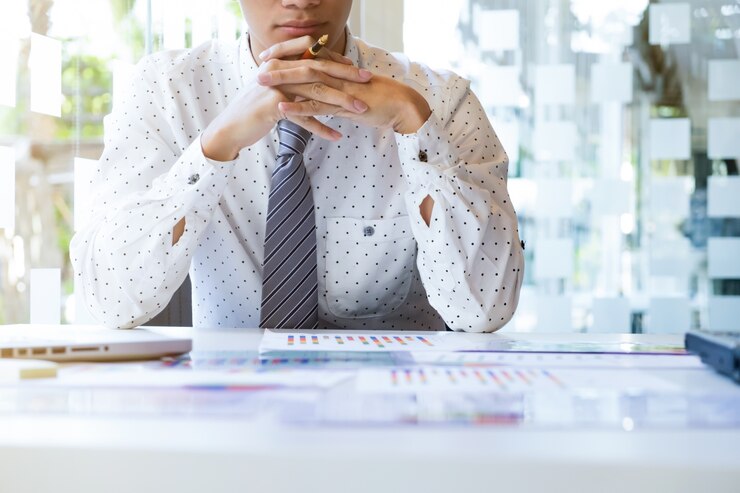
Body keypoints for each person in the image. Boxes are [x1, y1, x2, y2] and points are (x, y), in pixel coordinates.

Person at [70, 0, 524, 332]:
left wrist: (414, 124)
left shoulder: (441, 101)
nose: (301, 1)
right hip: (227, 411)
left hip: (394, 413)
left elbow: (484, 309)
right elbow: (110, 300)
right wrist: (215, 146)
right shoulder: (168, 91)